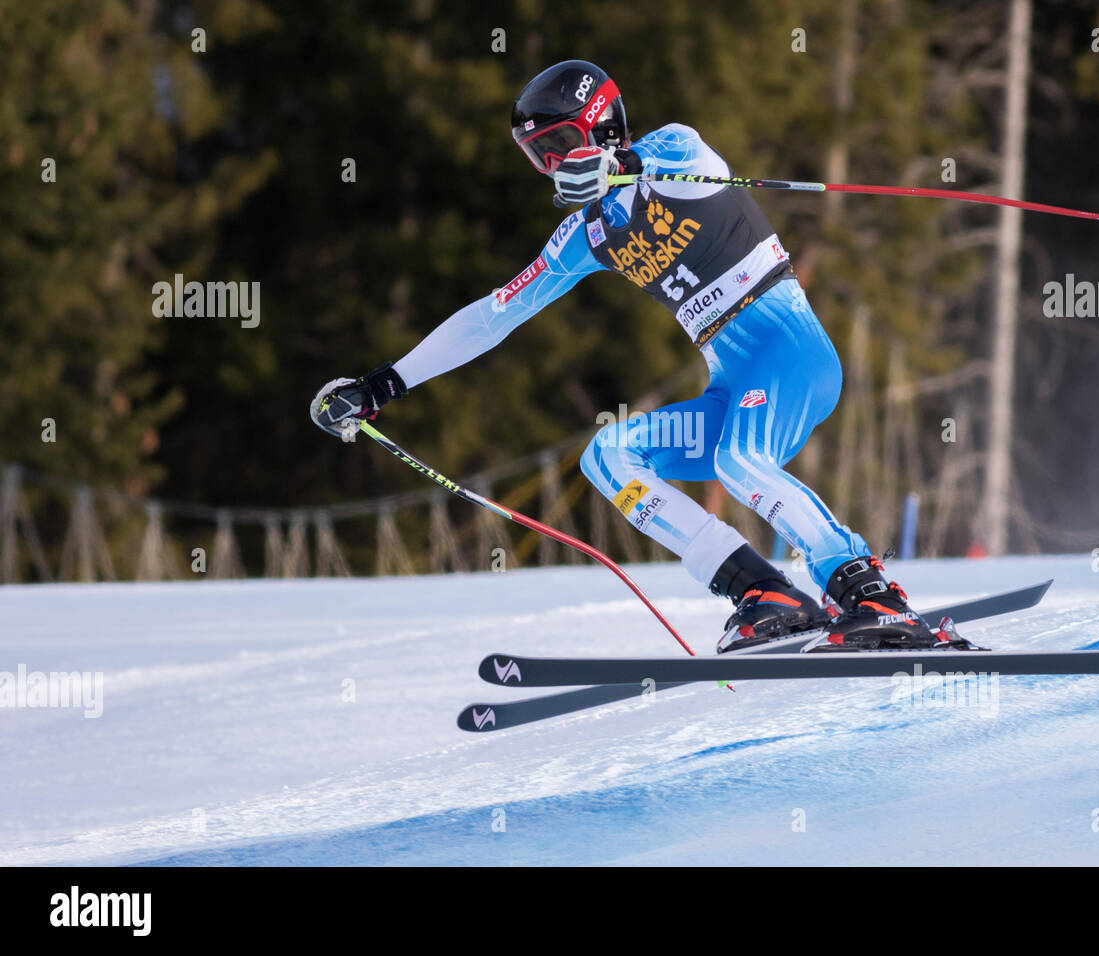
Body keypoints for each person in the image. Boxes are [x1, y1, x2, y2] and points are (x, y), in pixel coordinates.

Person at [312, 59, 950, 653]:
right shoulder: (586, 233)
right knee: (609, 457)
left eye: (561, 145)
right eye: (539, 156)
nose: (553, 165)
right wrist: (381, 386)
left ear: (602, 126)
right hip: (733, 385)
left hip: (793, 356)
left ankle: (868, 590)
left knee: (737, 460)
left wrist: (626, 164)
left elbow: (684, 154)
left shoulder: (675, 153)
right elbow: (492, 316)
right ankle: (762, 590)